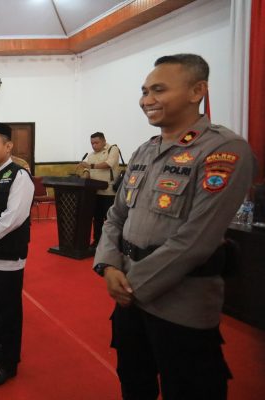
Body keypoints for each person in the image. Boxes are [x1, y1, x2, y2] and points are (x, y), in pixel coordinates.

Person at [93, 54, 257, 400]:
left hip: (180, 307)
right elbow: (115, 215)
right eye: (144, 90)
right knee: (134, 383)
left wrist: (131, 286)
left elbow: (196, 240)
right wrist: (108, 265)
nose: (146, 99)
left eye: (158, 90)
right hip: (127, 298)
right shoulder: (144, 150)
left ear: (197, 90)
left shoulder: (223, 150)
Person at [0, 121, 34, 386]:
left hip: (7, 256)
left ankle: (8, 362)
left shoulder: (18, 176)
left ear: (8, 146)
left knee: (8, 312)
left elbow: (13, 218)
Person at [78, 132, 121, 247]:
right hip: (94, 192)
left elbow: (109, 164)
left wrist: (90, 166)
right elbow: (88, 170)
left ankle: (111, 243)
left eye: (96, 143)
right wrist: (85, 175)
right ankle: (97, 241)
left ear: (104, 141)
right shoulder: (91, 155)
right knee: (96, 219)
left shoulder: (113, 149)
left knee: (109, 219)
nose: (94, 145)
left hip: (109, 192)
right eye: (92, 143)